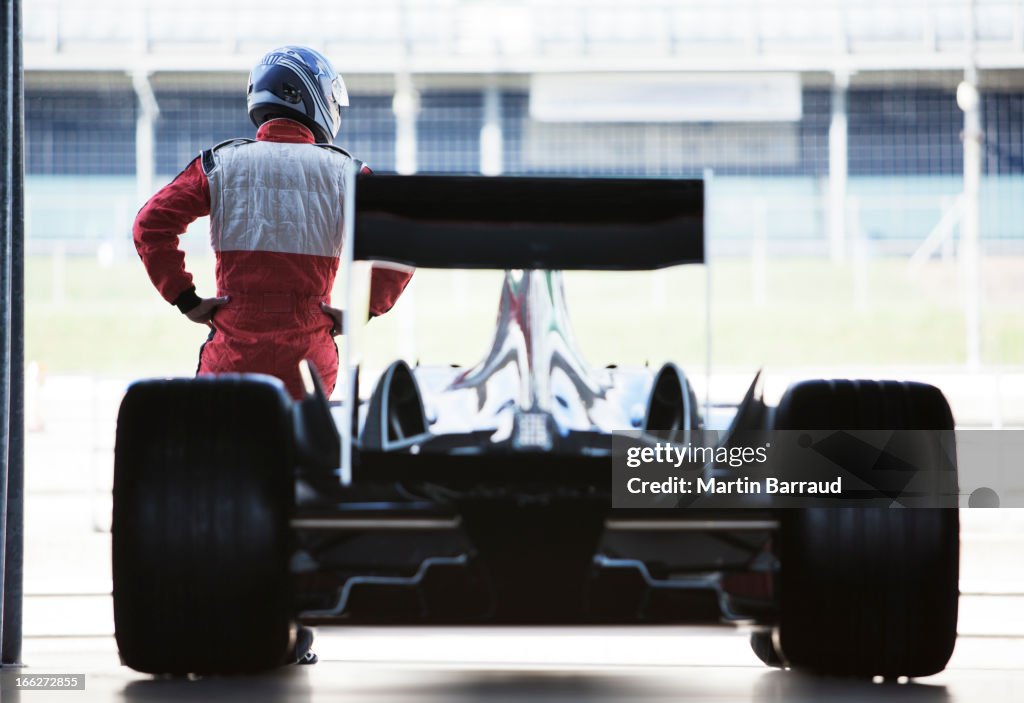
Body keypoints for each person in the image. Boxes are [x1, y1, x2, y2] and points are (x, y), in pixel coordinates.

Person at [133, 45, 412, 403]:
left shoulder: (220, 163)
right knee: (299, 455)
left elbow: (149, 225)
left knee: (222, 453)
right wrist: (364, 310)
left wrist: (185, 298)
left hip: (231, 355)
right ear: (314, 97)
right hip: (309, 360)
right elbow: (403, 238)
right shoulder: (348, 173)